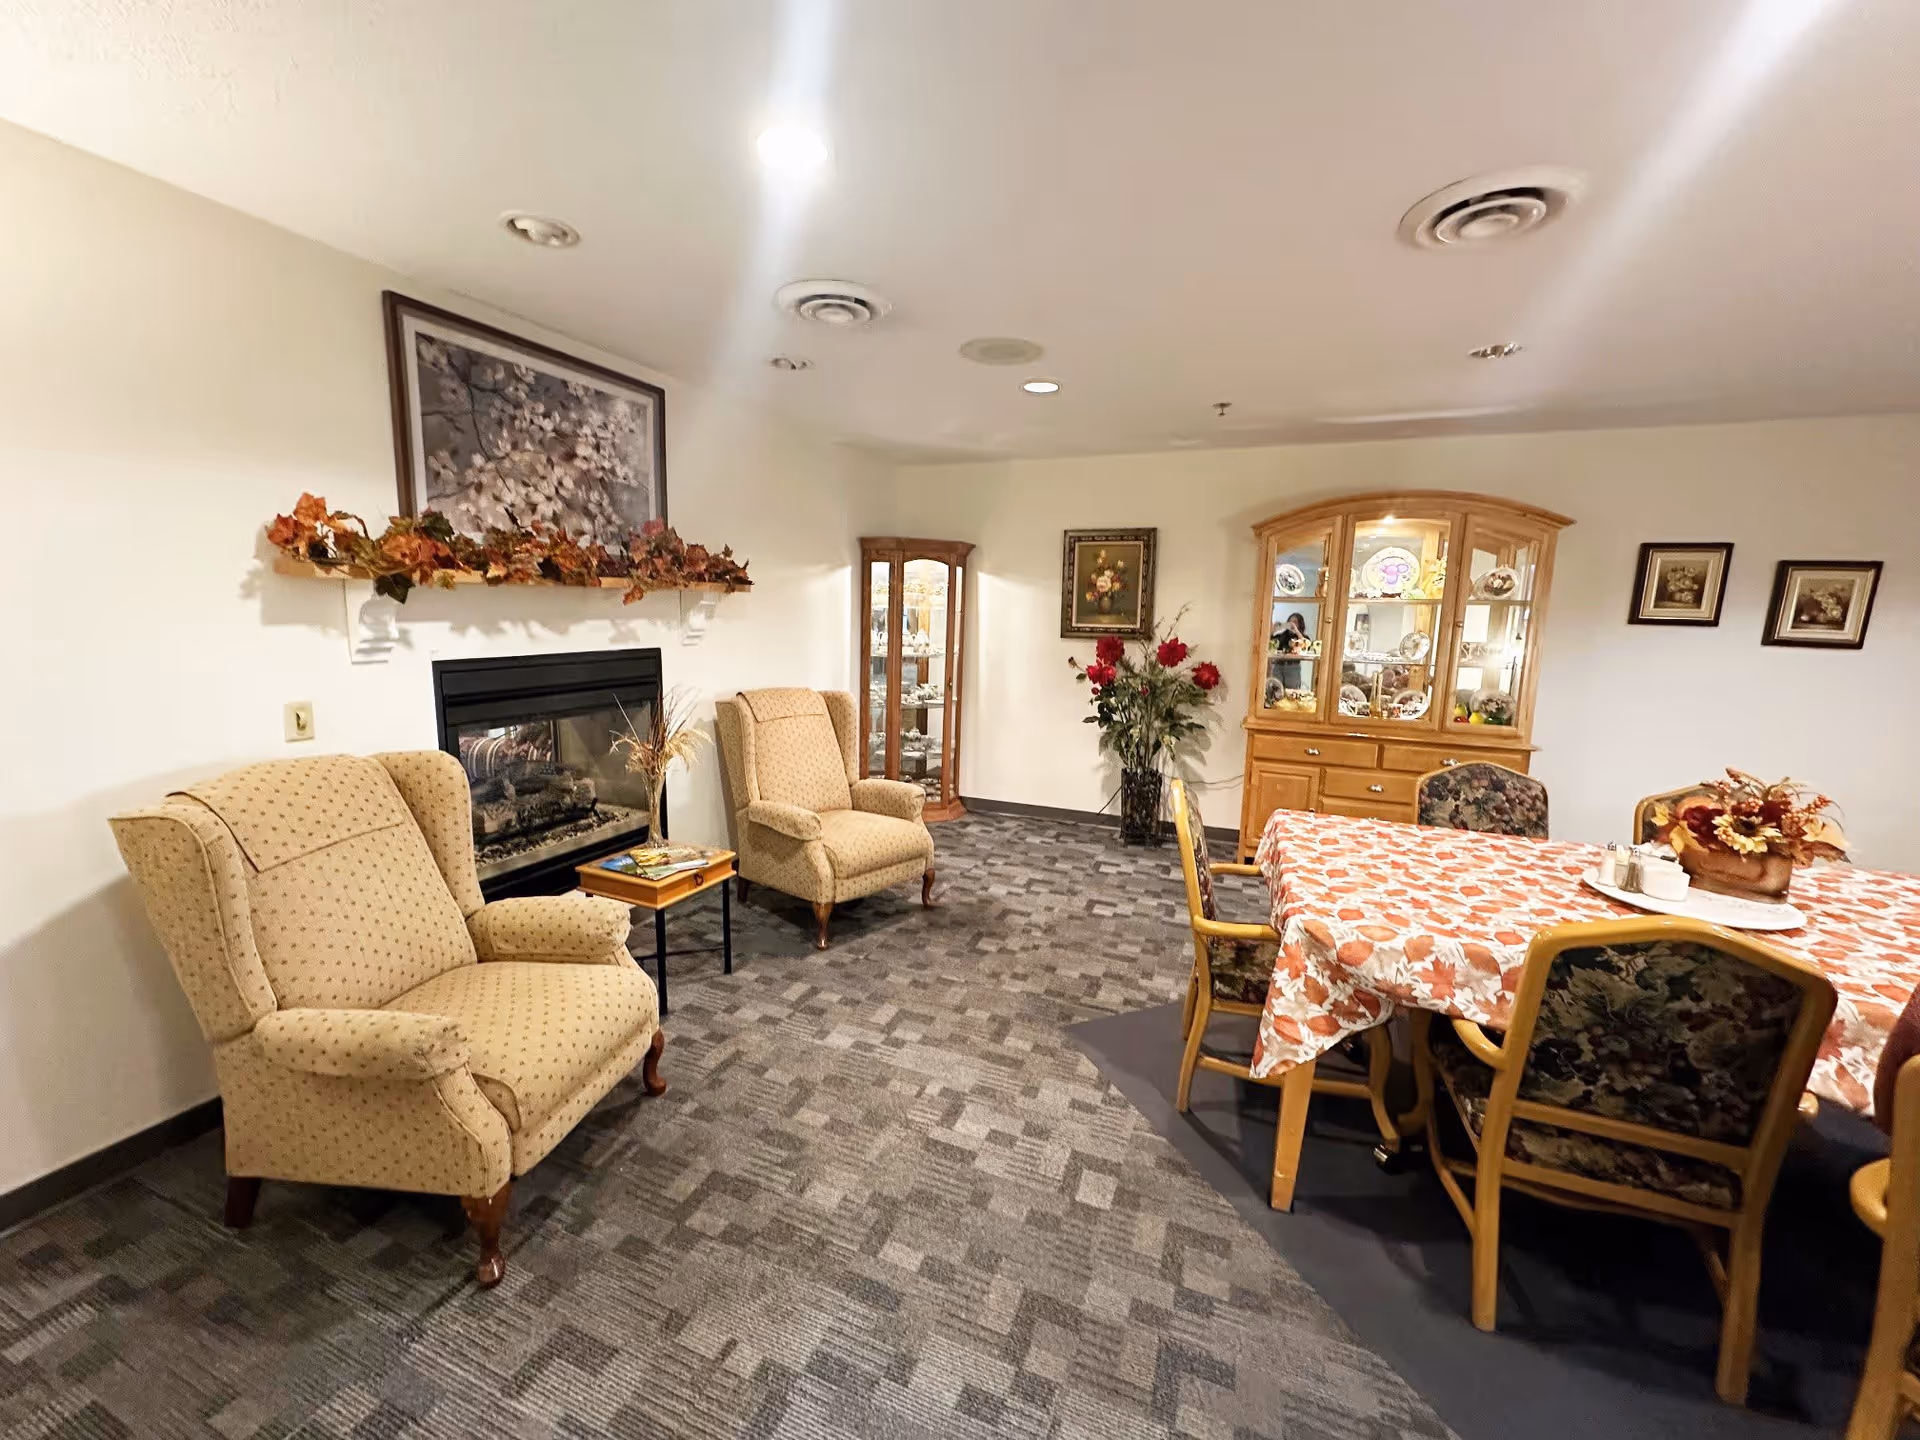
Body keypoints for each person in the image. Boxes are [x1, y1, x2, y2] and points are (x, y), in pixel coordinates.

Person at [1274, 611, 1310, 689]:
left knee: (1291, 693)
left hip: (1292, 667)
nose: (1291, 624)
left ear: (1300, 624)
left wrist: (1297, 631)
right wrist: (1274, 629)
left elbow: (1306, 645)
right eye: (1290, 621)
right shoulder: (1282, 636)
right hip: (1278, 666)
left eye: (1295, 622)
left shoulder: (1302, 637)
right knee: (1275, 692)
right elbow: (1269, 643)